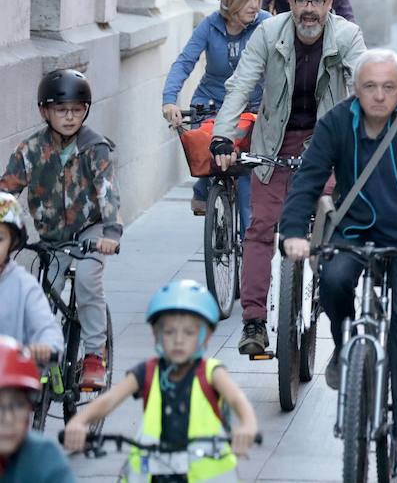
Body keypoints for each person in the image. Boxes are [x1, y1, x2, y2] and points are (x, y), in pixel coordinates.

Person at [279, 49, 397, 477]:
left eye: (389, 87)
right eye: (370, 87)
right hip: (354, 232)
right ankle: (345, 349)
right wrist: (293, 234)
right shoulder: (338, 122)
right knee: (335, 282)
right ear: (355, 89)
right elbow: (307, 179)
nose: (379, 96)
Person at [210, 0, 366, 356]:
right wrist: (222, 136)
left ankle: (334, 312)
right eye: (301, 1)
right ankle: (254, 322)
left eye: (317, 1)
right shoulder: (268, 33)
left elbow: (364, 84)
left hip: (326, 142)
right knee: (261, 227)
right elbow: (241, 85)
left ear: (329, 5)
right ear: (288, 5)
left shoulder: (347, 35)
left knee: (332, 223)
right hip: (274, 141)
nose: (308, 10)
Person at [2, 69, 120, 389]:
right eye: (60, 110)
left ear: (86, 110)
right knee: (41, 290)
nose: (69, 117)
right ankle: (39, 352)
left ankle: (95, 355)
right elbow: (7, 189)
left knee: (86, 279)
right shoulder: (31, 150)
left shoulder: (96, 147)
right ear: (45, 111)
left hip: (90, 231)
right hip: (52, 236)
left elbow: (107, 191)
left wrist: (110, 234)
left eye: (77, 110)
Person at [63, 281, 258, 475]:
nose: (178, 340)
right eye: (169, 332)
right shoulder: (148, 371)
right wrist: (80, 421)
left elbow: (237, 399)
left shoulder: (212, 372)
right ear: (157, 336)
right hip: (154, 468)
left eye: (189, 333)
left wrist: (248, 425)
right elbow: (110, 399)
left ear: (204, 337)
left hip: (207, 472)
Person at [161, 0, 269, 217]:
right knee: (208, 152)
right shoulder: (210, 26)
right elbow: (185, 62)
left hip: (251, 106)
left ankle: (247, 242)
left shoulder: (266, 23)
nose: (255, 4)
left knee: (244, 168)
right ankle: (203, 186)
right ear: (231, 1)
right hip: (211, 103)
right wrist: (169, 101)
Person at [0, 337, 73, 483]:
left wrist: (46, 346)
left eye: (18, 405)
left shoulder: (45, 458)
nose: (8, 418)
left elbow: (48, 329)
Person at [0, 193, 62, 365]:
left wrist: (46, 345)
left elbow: (46, 327)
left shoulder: (24, 286)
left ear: (12, 243)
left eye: (0, 238)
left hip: (10, 381)